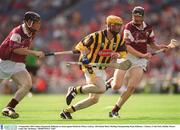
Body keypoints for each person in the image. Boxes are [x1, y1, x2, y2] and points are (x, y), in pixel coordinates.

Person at [106, 6, 171, 117]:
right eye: (134, 16)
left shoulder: (148, 28)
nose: (135, 18)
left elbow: (151, 43)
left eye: (138, 16)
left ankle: (115, 110)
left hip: (139, 61)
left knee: (131, 87)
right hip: (126, 56)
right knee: (116, 86)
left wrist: (160, 47)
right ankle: (110, 82)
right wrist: (143, 55)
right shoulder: (128, 27)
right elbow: (127, 47)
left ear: (142, 17)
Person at [60, 15, 127, 119]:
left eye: (120, 25)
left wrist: (117, 55)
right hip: (90, 66)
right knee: (101, 88)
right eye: (116, 25)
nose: (119, 28)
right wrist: (85, 57)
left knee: (94, 99)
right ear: (109, 25)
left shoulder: (119, 39)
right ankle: (74, 90)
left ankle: (67, 112)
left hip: (101, 68)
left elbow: (123, 52)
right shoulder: (96, 36)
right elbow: (81, 47)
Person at [0, 11, 45, 119]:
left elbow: (24, 49)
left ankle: (9, 108)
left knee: (27, 84)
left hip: (18, 65)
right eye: (36, 22)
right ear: (29, 22)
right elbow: (15, 49)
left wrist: (35, 53)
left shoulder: (32, 32)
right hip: (4, 63)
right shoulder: (17, 32)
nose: (39, 25)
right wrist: (34, 53)